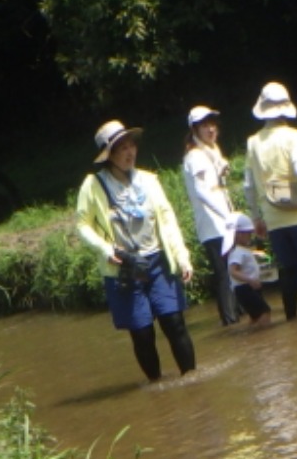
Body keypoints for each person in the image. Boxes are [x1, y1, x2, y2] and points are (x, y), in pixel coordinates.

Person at [75, 119, 197, 382]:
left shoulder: (149, 180)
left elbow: (168, 220)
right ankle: (157, 385)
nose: (130, 152)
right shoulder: (93, 185)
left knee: (174, 323)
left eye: (132, 146)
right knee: (142, 333)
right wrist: (105, 248)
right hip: (124, 267)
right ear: (110, 155)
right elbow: (82, 225)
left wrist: (182, 257)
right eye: (122, 148)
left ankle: (192, 381)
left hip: (158, 260)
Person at [243, 82, 297, 321]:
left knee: (290, 271)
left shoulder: (253, 142)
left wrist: (256, 218)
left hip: (273, 219)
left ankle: (292, 320)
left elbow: (248, 185)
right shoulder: (292, 136)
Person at [183, 105, 243, 327]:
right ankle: (230, 321)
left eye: (212, 124)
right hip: (213, 226)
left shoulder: (211, 151)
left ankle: (238, 315)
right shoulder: (195, 156)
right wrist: (225, 215)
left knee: (233, 269)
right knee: (224, 274)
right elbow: (201, 192)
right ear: (195, 130)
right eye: (205, 125)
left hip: (224, 222)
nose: (211, 129)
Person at [224, 213, 274, 326]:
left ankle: (252, 337)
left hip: (249, 288)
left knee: (256, 316)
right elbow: (233, 271)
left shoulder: (242, 250)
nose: (250, 236)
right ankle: (263, 336)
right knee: (264, 313)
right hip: (245, 289)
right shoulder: (237, 252)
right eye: (247, 234)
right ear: (237, 235)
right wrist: (250, 280)